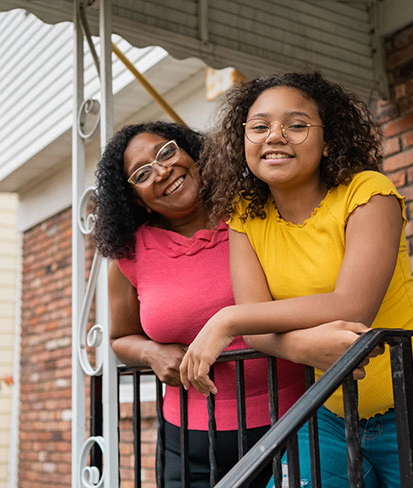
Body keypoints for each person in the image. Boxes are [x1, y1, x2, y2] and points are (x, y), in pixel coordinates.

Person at [179, 72, 413, 487]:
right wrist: (301, 345)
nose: (275, 136)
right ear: (243, 143)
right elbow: (259, 326)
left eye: (296, 124)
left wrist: (226, 320)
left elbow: (351, 306)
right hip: (331, 409)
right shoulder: (245, 219)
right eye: (259, 126)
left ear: (328, 141)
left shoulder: (368, 193)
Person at [94, 121, 309, 488]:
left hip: (293, 424)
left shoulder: (255, 215)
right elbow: (120, 337)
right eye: (142, 173)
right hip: (188, 442)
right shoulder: (129, 257)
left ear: (192, 152)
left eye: (167, 152)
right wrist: (150, 352)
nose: (162, 171)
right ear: (134, 198)